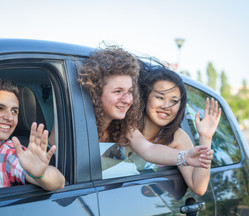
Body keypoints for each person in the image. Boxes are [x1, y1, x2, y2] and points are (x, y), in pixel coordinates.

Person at [78, 45, 213, 178]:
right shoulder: (74, 121)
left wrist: (184, 156)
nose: (126, 100)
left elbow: (148, 149)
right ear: (96, 91)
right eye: (118, 91)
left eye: (130, 92)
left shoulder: (125, 127)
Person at [138, 63, 221, 195]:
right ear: (145, 97)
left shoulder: (177, 137)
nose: (166, 106)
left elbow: (198, 187)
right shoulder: (128, 126)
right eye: (160, 97)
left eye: (174, 101)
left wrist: (205, 137)